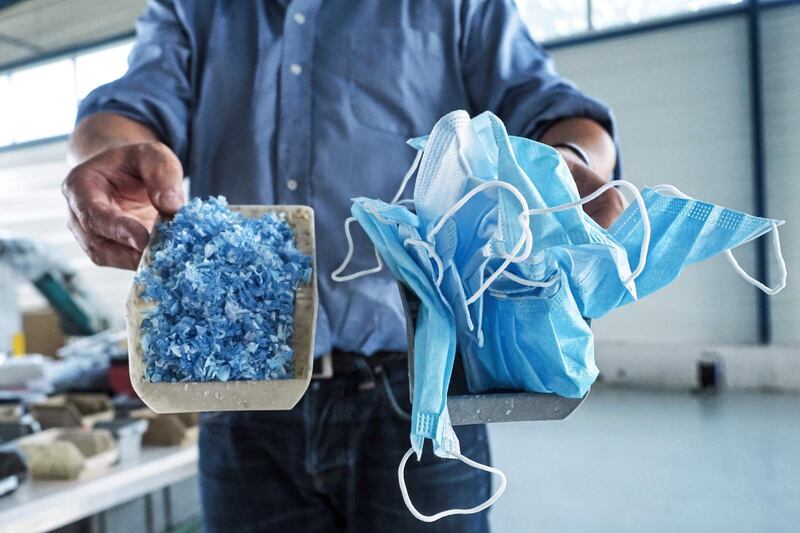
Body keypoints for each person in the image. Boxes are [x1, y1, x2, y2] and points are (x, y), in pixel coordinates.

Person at [62, 1, 622, 531]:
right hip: (240, 397)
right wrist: (102, 157)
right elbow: (127, 110)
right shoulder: (196, 9)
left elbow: (555, 109)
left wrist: (571, 163)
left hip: (416, 393)